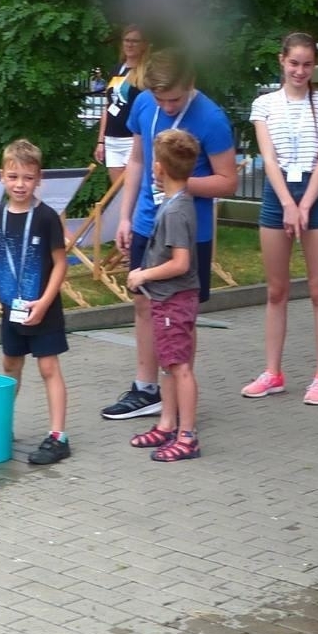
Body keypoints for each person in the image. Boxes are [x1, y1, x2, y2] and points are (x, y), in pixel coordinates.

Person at [101, 50, 238, 421]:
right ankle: (146, 389)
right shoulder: (145, 104)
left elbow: (228, 179)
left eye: (174, 99)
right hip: (148, 223)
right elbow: (138, 161)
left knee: (180, 314)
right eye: (161, 99)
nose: (167, 106)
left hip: (190, 231)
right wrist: (125, 217)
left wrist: (181, 184)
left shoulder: (211, 117)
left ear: (190, 83)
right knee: (144, 303)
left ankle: (178, 397)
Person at [245, 32, 318, 404]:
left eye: (307, 64)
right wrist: (287, 202)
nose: (300, 70)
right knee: (276, 290)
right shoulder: (264, 104)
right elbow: (268, 158)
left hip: (313, 196)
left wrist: (304, 205)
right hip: (278, 193)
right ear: (282, 61)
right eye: (294, 63)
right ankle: (273, 371)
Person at [0, 139, 73, 466]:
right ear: (1, 177)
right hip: (11, 307)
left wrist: (45, 302)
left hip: (42, 307)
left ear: (39, 179)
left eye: (28, 178)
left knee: (48, 367)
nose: (21, 184)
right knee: (10, 366)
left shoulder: (46, 217)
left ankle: (58, 436)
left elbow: (60, 263)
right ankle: (2, 426)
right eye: (14, 176)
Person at [125, 130, 205, 461]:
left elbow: (181, 262)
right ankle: (167, 423)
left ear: (158, 168)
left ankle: (187, 435)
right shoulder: (176, 203)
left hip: (174, 298)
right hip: (165, 300)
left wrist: (143, 274)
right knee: (169, 365)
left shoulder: (175, 211)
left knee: (180, 367)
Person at [96, 27, 148, 182]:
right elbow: (107, 106)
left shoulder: (146, 73)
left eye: (135, 41)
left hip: (133, 139)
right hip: (112, 139)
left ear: (143, 45)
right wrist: (101, 140)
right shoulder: (116, 69)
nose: (130, 44)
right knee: (117, 192)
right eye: (127, 40)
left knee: (133, 188)